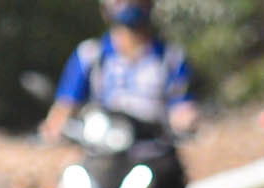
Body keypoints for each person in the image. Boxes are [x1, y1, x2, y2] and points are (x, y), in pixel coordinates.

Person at [45, 1, 201, 138]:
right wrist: (53, 129)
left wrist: (186, 121)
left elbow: (182, 107)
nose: (128, 4)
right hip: (102, 152)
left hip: (154, 151)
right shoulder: (90, 54)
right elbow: (65, 107)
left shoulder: (171, 57)